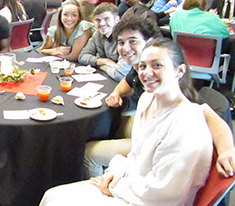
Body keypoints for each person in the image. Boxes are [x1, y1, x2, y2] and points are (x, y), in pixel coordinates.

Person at [40, 38, 213, 206]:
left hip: (147, 199)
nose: (146, 72)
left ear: (179, 71)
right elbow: (136, 155)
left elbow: (167, 194)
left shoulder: (186, 122)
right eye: (143, 66)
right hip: (132, 186)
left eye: (157, 65)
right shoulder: (147, 99)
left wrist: (116, 186)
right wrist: (116, 171)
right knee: (51, 195)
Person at [85, 16, 235, 191]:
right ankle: (117, 172)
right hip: (149, 130)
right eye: (121, 42)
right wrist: (116, 92)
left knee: (91, 151)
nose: (126, 48)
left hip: (161, 144)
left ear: (150, 41)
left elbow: (208, 115)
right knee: (120, 121)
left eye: (133, 41)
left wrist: (226, 150)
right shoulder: (139, 68)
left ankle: (100, 190)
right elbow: (128, 81)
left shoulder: (171, 82)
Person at [170, 0, 235, 71]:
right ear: (204, 4)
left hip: (181, 61)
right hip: (207, 62)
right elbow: (225, 33)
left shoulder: (177, 15)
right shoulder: (212, 17)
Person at [78, 3, 132, 81]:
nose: (102, 23)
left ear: (117, 20)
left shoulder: (125, 39)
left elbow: (119, 75)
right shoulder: (98, 34)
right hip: (109, 79)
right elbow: (82, 57)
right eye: (98, 20)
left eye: (106, 19)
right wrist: (105, 61)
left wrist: (100, 66)